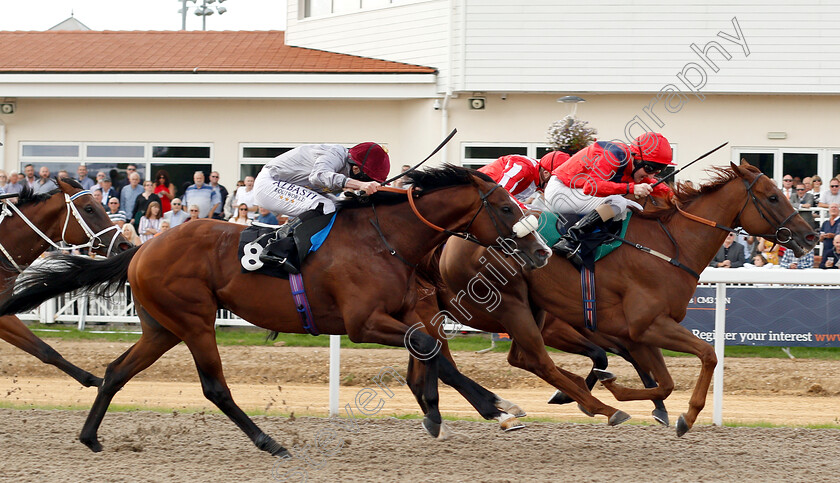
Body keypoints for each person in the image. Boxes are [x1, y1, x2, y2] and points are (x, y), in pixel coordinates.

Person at [549, 133, 674, 264]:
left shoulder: (631, 163)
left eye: (659, 170)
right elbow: (590, 187)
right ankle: (570, 239)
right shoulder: (614, 155)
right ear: (635, 158)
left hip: (575, 191)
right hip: (561, 193)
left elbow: (654, 184)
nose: (652, 174)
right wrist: (631, 188)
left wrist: (676, 197)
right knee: (618, 201)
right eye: (650, 168)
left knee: (629, 205)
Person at [253, 142, 389, 230]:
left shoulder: (348, 164)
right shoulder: (335, 153)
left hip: (292, 185)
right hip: (268, 183)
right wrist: (360, 184)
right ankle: (282, 243)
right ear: (356, 169)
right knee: (325, 206)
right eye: (368, 178)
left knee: (341, 209)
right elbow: (318, 176)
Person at [478, 151, 569, 207]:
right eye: (557, 181)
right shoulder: (523, 168)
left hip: (483, 199)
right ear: (546, 174)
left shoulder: (537, 179)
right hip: (474, 193)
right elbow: (498, 193)